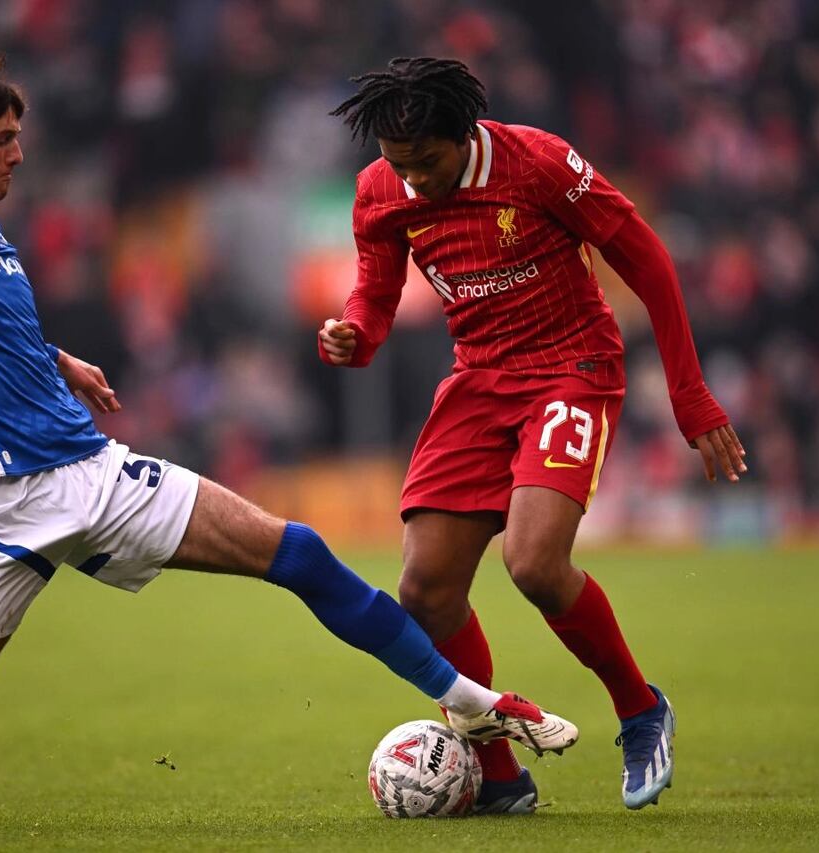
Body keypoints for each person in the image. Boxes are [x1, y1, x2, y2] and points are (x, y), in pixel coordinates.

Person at [0, 51, 578, 829]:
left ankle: (478, 705)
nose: (18, 155)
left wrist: (56, 359)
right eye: (0, 140)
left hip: (84, 471)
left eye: (17, 137)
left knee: (299, 554)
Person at [319, 58, 748, 812]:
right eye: (398, 164)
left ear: (466, 137)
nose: (412, 180)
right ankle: (503, 777)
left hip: (569, 367)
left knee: (535, 563)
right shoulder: (381, 191)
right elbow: (376, 294)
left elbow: (644, 257)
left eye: (426, 163)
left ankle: (640, 709)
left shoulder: (538, 162)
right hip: (477, 377)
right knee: (425, 589)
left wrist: (690, 392)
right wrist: (356, 331)